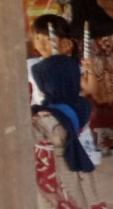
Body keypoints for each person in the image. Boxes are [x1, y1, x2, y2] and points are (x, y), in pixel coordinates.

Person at [30, 55, 113, 209]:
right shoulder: (80, 106)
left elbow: (36, 137)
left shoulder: (47, 116)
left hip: (56, 172)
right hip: (79, 169)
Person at [28, 14, 103, 166]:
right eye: (38, 38)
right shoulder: (31, 65)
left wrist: (90, 72)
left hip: (68, 120)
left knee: (74, 166)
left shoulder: (69, 66)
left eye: (48, 39)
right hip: (43, 123)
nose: (42, 44)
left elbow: (90, 89)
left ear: (63, 42)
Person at [69, 0, 113, 156]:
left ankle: (97, 143)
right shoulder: (107, 23)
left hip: (88, 72)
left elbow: (71, 53)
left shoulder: (74, 27)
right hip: (111, 71)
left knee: (94, 106)